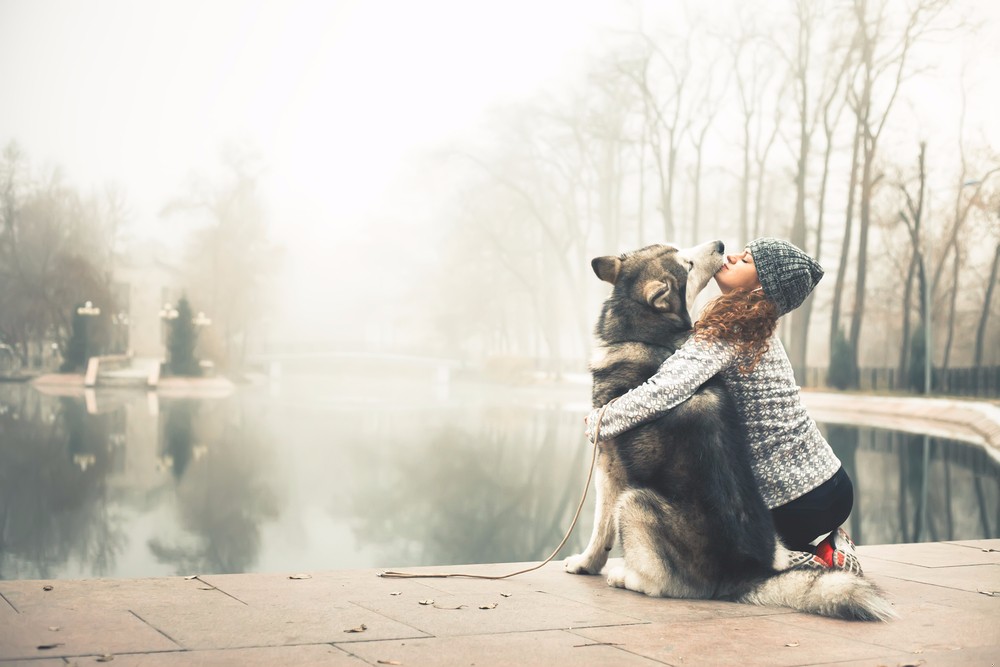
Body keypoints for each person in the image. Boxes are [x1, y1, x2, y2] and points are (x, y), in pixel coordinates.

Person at [584, 238, 861, 574]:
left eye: (746, 260)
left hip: (794, 500)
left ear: (762, 286)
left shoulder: (729, 331)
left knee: (714, 544)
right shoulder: (761, 329)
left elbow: (665, 389)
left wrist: (603, 420)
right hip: (832, 486)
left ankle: (809, 559)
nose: (732, 257)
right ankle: (824, 546)